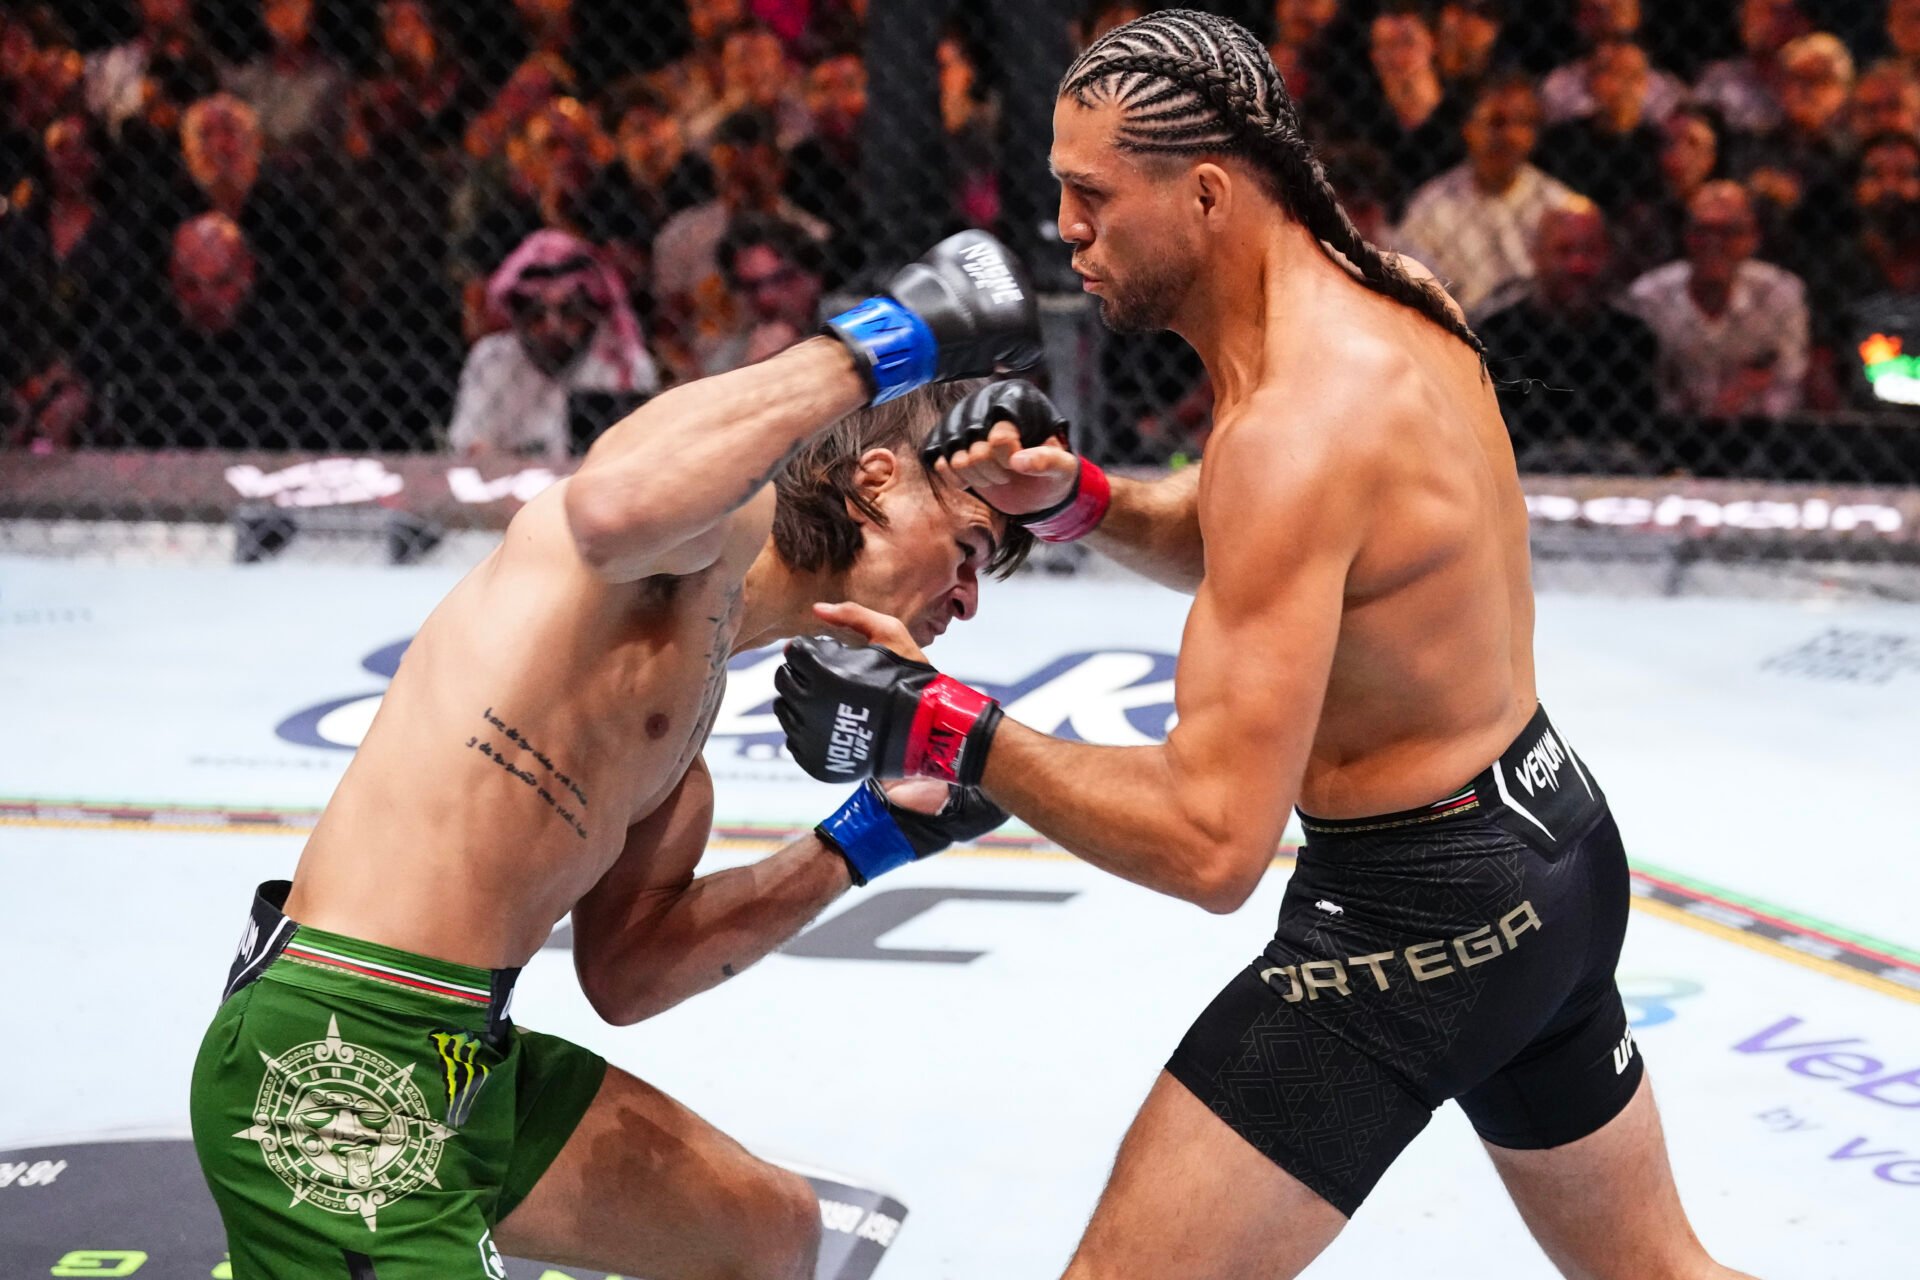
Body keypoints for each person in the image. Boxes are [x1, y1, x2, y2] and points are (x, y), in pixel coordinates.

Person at [770, 13, 1757, 1279]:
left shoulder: (1296, 424)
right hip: (1547, 841)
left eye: (1090, 196)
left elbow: (1211, 841)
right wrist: (1081, 502)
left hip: (1421, 915)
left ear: (1206, 192)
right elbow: (1282, 536)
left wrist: (940, 722)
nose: (1064, 229)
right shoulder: (1385, 298)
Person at [189, 230, 1044, 1278]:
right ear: (878, 478)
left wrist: (871, 836)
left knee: (766, 1230)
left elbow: (629, 974)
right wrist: (888, 340)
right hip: (334, 1046)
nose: (966, 600)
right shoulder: (699, 538)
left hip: (469, 1063)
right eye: (968, 550)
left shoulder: (685, 744)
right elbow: (610, 504)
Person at [447, 230, 661, 464]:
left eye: (568, 311)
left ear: (591, 312)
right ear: (517, 314)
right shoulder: (494, 358)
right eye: (536, 314)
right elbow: (472, 449)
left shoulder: (625, 365)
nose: (553, 326)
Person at [1477, 200, 1659, 469]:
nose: (1578, 266)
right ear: (1536, 255)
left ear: (1608, 255)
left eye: (1590, 251)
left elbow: (1640, 439)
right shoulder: (1498, 334)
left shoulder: (1633, 337)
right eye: (1564, 251)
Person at [1396, 73, 1581, 319]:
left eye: (1523, 123)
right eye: (1496, 122)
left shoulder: (1560, 205)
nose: (1509, 136)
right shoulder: (1430, 207)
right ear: (1468, 128)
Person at [1623, 180, 1809, 418]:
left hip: (1759, 427)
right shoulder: (1650, 296)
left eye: (1729, 232)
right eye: (1702, 232)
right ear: (1686, 236)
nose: (1714, 243)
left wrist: (1751, 397)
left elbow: (1790, 376)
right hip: (1672, 427)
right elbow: (1645, 382)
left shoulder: (1779, 292)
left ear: (1753, 237)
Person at [707, 213, 827, 375]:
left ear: (813, 278)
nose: (765, 299)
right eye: (751, 287)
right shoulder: (732, 359)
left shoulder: (852, 318)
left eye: (780, 279)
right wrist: (757, 368)